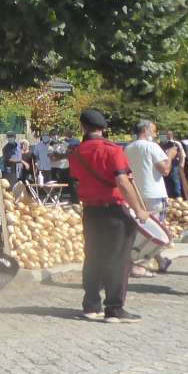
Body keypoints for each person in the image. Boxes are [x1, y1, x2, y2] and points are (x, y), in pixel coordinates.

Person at [70, 108, 150, 323]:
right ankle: (114, 309)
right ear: (103, 129)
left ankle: (91, 305)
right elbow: (122, 182)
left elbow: (77, 179)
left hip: (90, 211)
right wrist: (139, 210)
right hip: (114, 211)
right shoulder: (112, 150)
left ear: (83, 127)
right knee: (118, 259)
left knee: (93, 257)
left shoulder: (76, 153)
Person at [125, 120, 176, 274]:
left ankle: (161, 261)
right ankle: (139, 264)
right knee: (156, 233)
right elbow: (165, 170)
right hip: (154, 194)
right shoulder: (152, 146)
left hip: (136, 194)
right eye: (153, 131)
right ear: (145, 130)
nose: (155, 134)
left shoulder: (128, 148)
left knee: (141, 231)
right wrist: (170, 156)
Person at [162, 129, 188, 198]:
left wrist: (181, 165)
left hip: (175, 164)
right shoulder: (163, 144)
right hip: (166, 164)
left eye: (169, 134)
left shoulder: (176, 143)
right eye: (167, 134)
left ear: (172, 135)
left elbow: (182, 155)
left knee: (175, 181)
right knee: (167, 183)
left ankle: (178, 196)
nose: (168, 136)